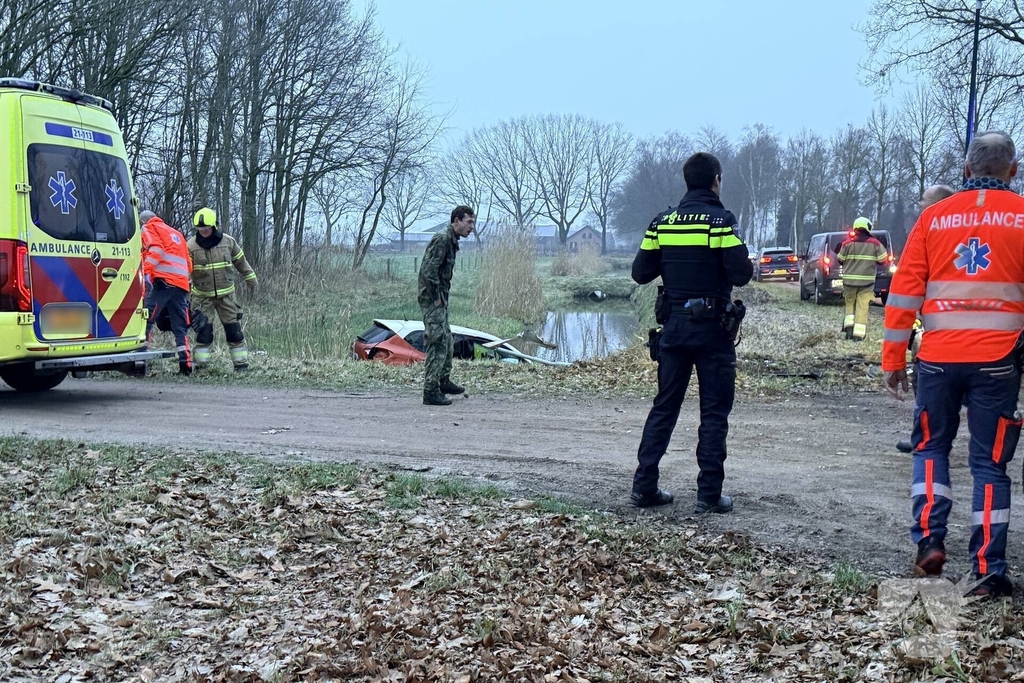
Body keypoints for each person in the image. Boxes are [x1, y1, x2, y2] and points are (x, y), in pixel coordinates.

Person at [883, 131, 1024, 599]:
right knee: (989, 465)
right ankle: (987, 570)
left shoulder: (933, 219)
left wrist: (893, 358)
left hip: (937, 359)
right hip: (1000, 361)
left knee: (930, 448)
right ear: (1013, 170)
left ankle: (928, 542)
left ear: (966, 171)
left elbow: (903, 294)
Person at [630, 152, 753, 512]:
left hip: (674, 331)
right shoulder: (720, 222)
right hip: (714, 331)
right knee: (713, 413)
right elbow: (741, 274)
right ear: (716, 179)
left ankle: (644, 487)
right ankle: (708, 496)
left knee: (664, 408)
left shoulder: (661, 223)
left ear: (687, 181)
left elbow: (641, 272)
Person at [895, 184, 955, 454]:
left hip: (943, 334)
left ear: (939, 203)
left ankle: (927, 439)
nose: (919, 204)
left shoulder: (935, 233)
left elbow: (907, 290)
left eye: (924, 200)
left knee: (928, 385)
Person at [187, 207, 257, 372]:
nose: (203, 231)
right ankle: (202, 367)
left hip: (227, 296)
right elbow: (185, 269)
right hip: (202, 298)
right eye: (200, 229)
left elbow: (241, 261)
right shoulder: (190, 246)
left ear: (214, 226)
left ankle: (241, 365)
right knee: (204, 333)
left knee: (234, 332)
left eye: (206, 228)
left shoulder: (228, 242)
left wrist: (250, 277)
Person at [418, 206, 475, 406]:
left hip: (440, 298)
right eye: (469, 222)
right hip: (433, 299)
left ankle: (443, 381)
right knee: (437, 341)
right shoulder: (442, 239)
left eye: (473, 223)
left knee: (447, 339)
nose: (471, 227)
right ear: (456, 221)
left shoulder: (452, 241)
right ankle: (430, 390)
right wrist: (436, 299)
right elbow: (428, 271)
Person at [140, 210, 193, 375]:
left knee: (145, 321)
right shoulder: (176, 233)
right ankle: (186, 365)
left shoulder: (149, 228)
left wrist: (144, 272)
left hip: (163, 283)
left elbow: (156, 250)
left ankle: (139, 362)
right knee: (180, 327)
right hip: (181, 285)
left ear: (143, 222)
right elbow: (189, 264)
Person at [837, 217, 888, 341]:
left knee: (850, 304)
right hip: (866, 283)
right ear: (868, 227)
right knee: (862, 306)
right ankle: (858, 335)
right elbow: (883, 260)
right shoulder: (875, 244)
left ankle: (849, 327)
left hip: (849, 282)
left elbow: (840, 259)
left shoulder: (847, 243)